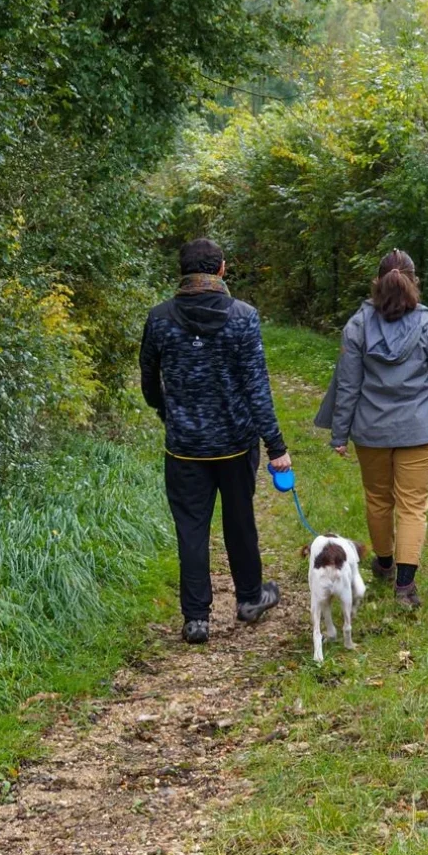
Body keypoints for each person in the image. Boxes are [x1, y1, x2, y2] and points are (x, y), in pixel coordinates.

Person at [140, 238, 289, 644]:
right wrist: (276, 446)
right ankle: (249, 599)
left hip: (184, 445)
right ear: (221, 269)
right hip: (236, 442)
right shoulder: (243, 317)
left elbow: (149, 381)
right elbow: (257, 387)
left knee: (191, 528)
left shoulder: (159, 318)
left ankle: (195, 619)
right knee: (240, 521)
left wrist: (166, 412)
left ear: (183, 273)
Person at [315, 249, 428, 609]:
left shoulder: (357, 325)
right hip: (420, 430)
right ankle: (405, 586)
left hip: (372, 431)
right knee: (413, 505)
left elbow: (347, 385)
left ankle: (383, 561)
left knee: (379, 500)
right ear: (413, 282)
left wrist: (339, 434)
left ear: (376, 283)